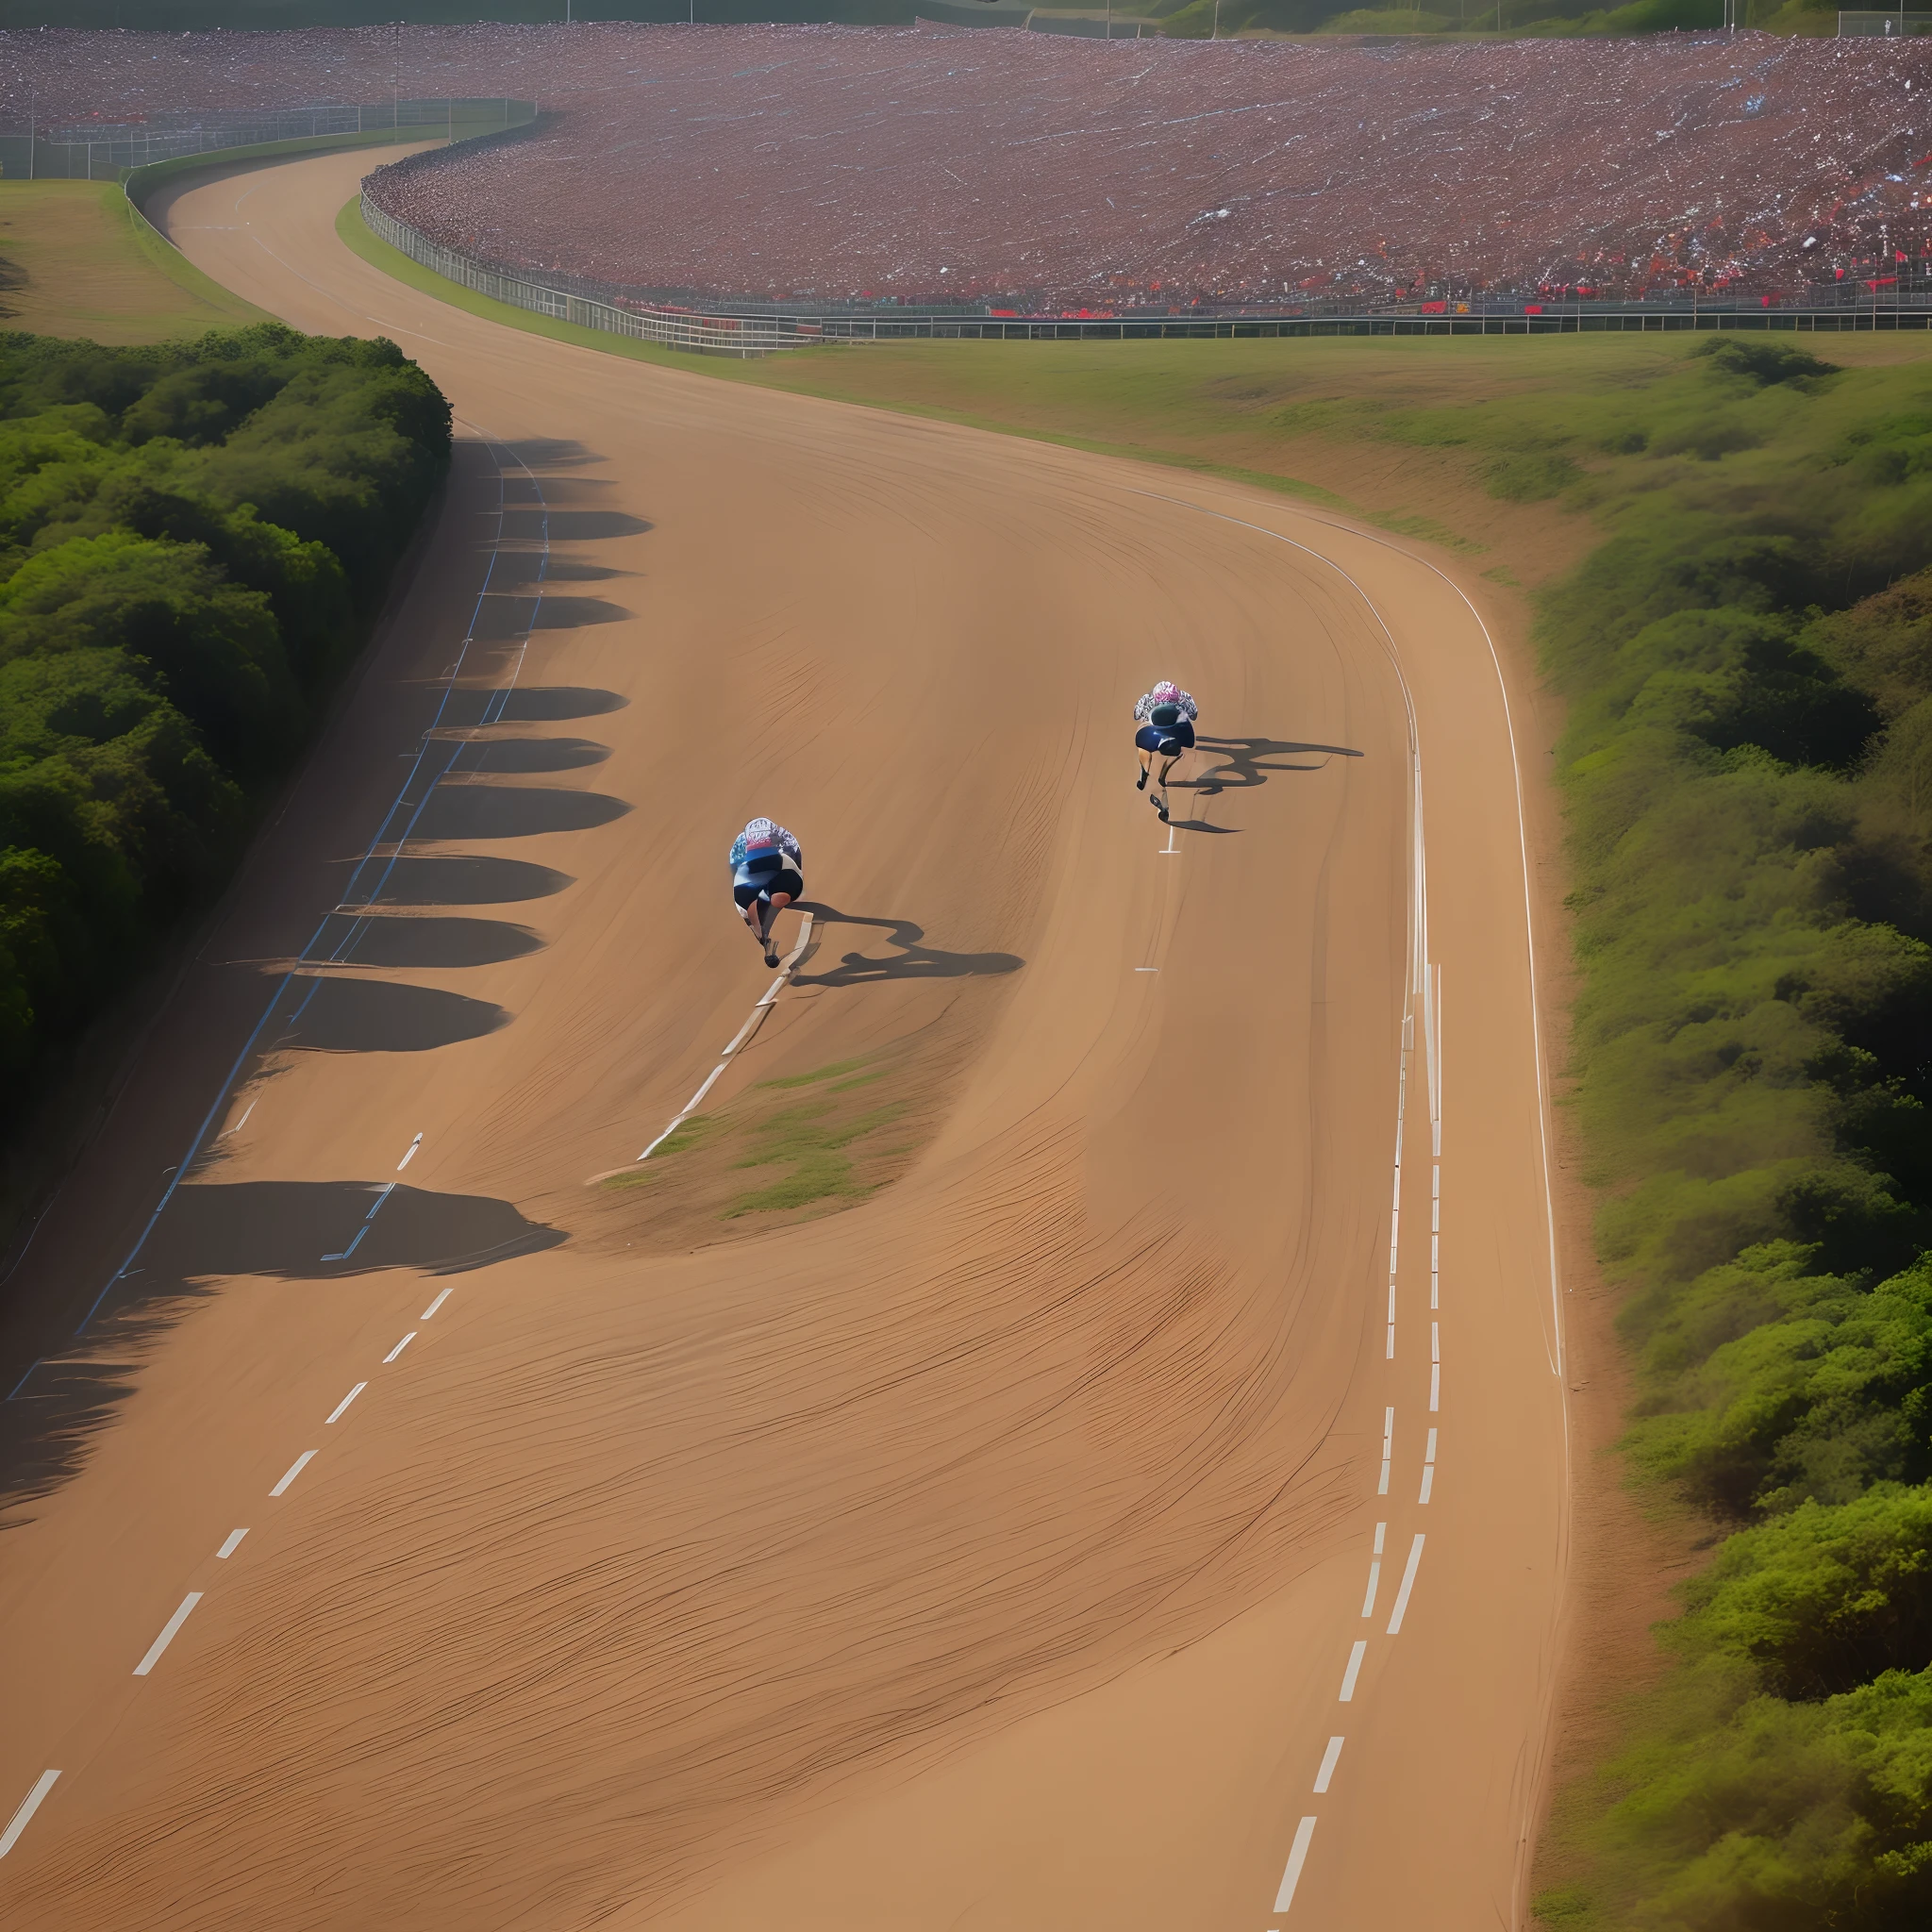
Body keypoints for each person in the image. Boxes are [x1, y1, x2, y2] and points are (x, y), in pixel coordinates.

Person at [729, 816, 805, 967]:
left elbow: (735, 872)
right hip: (778, 869)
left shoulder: (738, 847)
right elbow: (795, 857)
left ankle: (764, 940)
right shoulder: (783, 836)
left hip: (749, 878)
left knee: (748, 913)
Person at [1134, 680, 1198, 823]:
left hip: (1155, 735)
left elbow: (1136, 715)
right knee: (1182, 751)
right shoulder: (1184, 698)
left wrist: (1145, 716)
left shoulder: (1148, 700)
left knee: (1142, 742)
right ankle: (1164, 773)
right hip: (1179, 736)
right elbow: (1194, 715)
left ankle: (1144, 772)